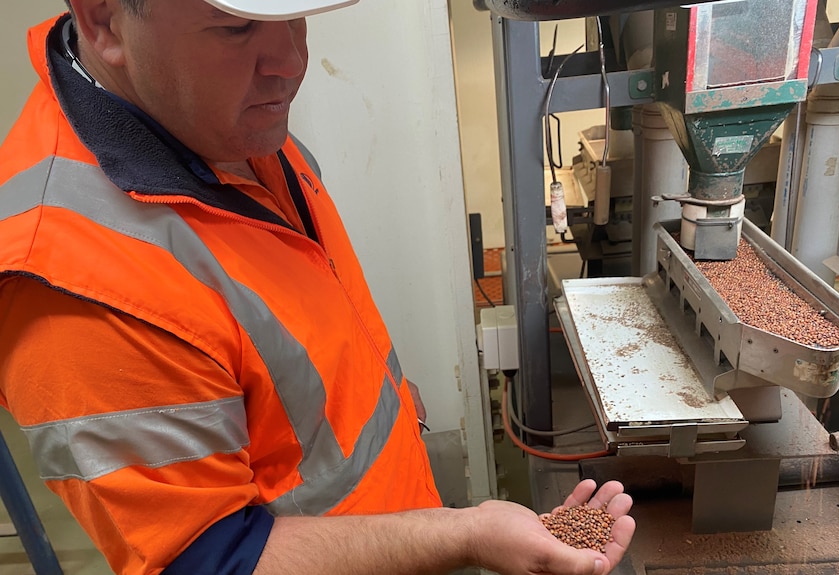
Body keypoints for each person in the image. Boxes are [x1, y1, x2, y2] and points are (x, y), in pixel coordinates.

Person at [0, 0, 636, 573]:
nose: (291, 62)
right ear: (105, 20)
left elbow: (282, 332)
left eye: (295, 17)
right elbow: (213, 562)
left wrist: (372, 390)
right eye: (236, 27)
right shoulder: (75, 285)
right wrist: (464, 536)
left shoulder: (217, 123)